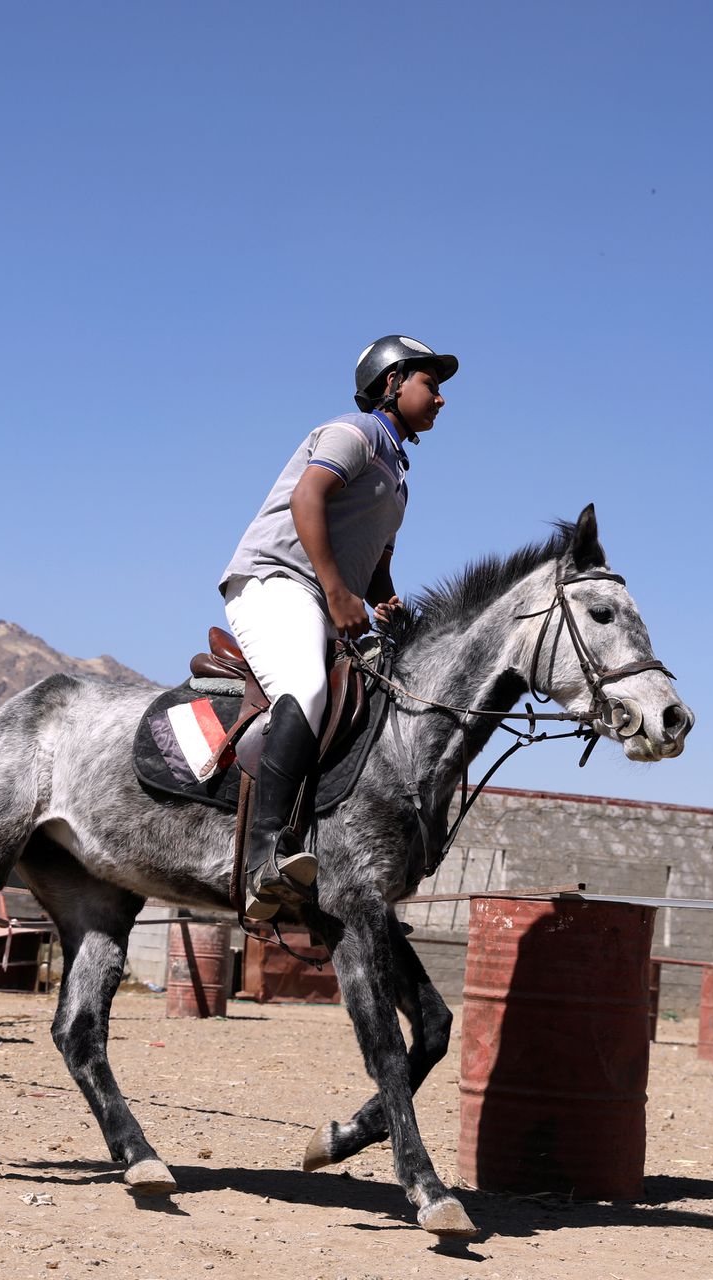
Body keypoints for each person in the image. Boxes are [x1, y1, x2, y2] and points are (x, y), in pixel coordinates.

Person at [219, 335, 457, 921]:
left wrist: (384, 600)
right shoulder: (354, 432)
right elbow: (308, 500)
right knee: (306, 687)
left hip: (325, 597)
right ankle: (265, 856)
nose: (441, 399)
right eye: (431, 383)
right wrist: (335, 592)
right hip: (276, 579)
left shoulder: (399, 475)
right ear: (392, 383)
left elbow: (377, 563)